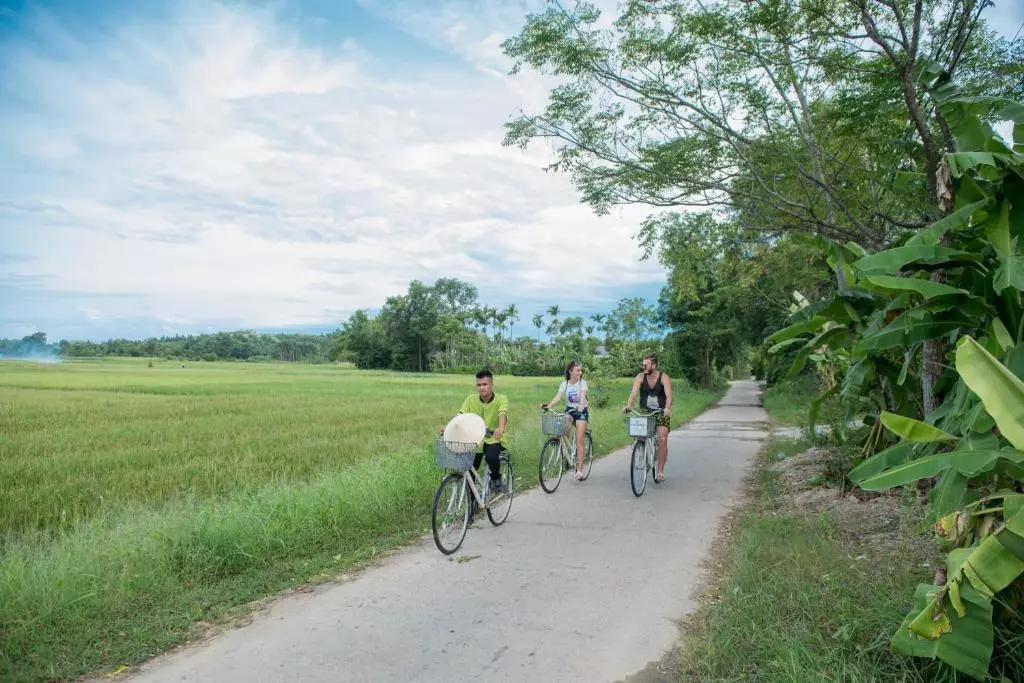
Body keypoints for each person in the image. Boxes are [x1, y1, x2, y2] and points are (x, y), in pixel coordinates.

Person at [441, 368, 509, 498]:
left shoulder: (501, 399)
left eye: (485, 384)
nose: (481, 387)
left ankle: (496, 479)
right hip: (475, 439)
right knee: (469, 471)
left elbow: (502, 413)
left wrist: (500, 428)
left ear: (491, 385)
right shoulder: (471, 399)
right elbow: (460, 415)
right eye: (479, 385)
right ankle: (472, 508)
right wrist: (449, 427)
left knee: (491, 457)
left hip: (494, 438)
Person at [622, 352, 673, 482]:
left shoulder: (663, 377)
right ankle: (640, 450)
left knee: (662, 438)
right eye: (643, 365)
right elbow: (633, 393)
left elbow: (669, 396)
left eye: (646, 365)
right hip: (645, 411)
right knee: (638, 433)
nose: (643, 367)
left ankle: (660, 471)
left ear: (654, 365)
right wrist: (629, 405)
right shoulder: (640, 377)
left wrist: (667, 408)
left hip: (661, 411)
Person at [540, 359, 589, 481]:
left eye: (580, 370)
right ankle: (568, 457)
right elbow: (558, 396)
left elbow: (583, 395)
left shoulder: (583, 383)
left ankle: (579, 470)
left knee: (579, 439)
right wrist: (550, 405)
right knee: (562, 431)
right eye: (577, 370)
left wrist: (582, 405)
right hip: (570, 410)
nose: (580, 372)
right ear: (570, 371)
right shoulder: (565, 384)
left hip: (581, 412)